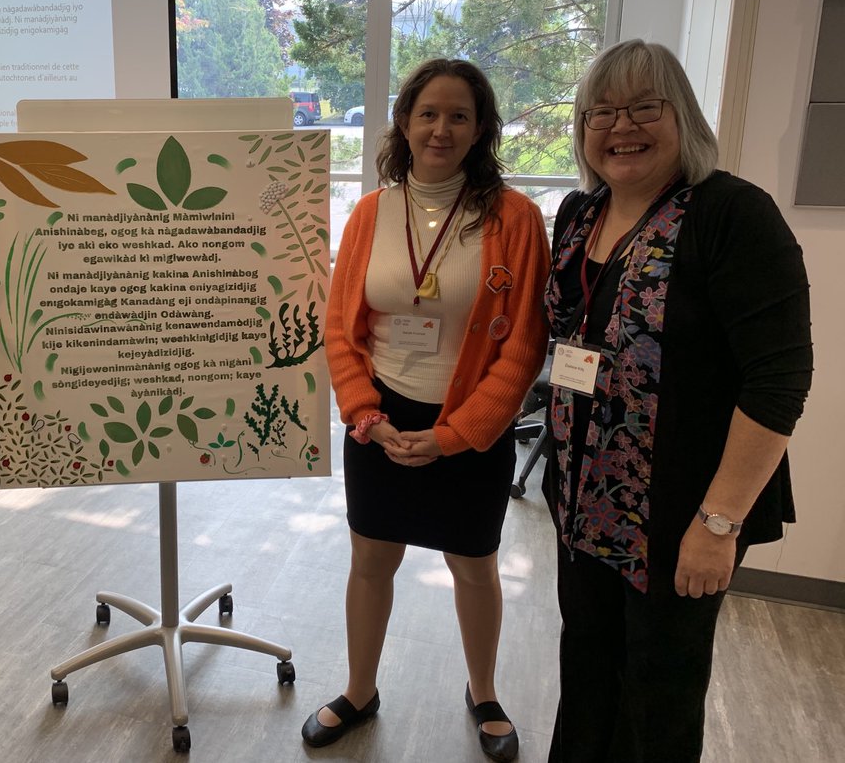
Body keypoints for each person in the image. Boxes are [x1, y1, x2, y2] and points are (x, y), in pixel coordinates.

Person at [543, 39, 813, 762]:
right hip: (581, 501)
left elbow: (778, 382)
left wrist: (718, 525)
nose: (619, 125)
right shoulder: (578, 215)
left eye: (642, 106)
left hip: (682, 514)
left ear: (682, 116)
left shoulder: (732, 215)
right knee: (588, 672)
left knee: (659, 692)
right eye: (600, 110)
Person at [303, 59, 549, 762]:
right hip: (378, 420)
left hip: (471, 427)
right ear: (405, 123)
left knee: (474, 562)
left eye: (460, 115)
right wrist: (365, 416)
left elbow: (524, 347)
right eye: (428, 113)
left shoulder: (515, 219)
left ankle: (484, 690)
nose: (442, 128)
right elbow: (340, 329)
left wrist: (454, 437)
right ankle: (359, 690)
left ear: (480, 130)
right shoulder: (371, 213)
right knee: (371, 560)